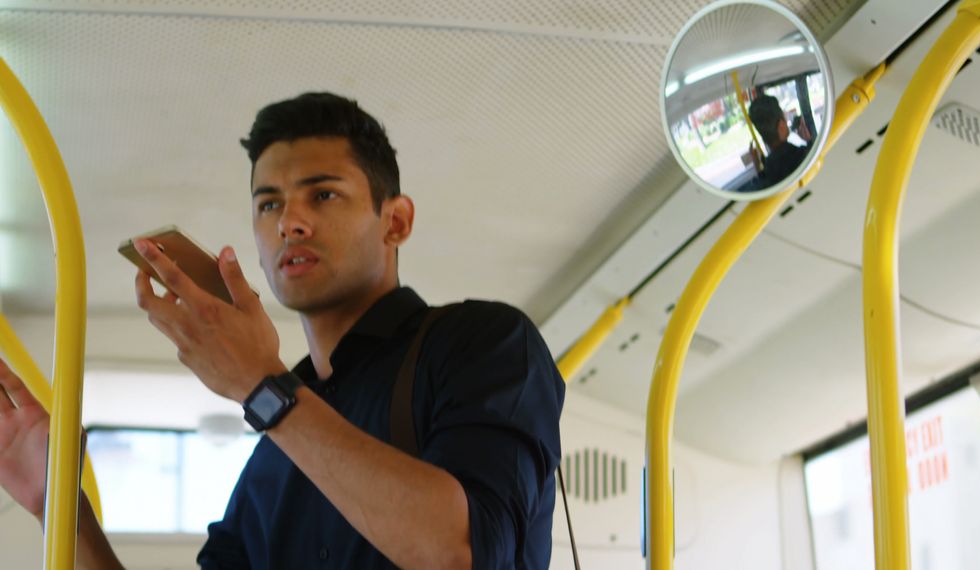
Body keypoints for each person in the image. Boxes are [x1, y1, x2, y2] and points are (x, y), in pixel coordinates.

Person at [0, 92, 565, 569]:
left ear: (395, 221)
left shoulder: (481, 344)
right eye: (268, 204)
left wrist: (262, 386)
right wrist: (63, 511)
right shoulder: (274, 453)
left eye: (323, 194)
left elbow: (464, 550)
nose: (289, 222)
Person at [747, 94, 813, 188]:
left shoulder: (769, 169)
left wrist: (757, 165)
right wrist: (809, 141)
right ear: (781, 126)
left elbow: (765, 182)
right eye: (784, 116)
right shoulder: (802, 155)